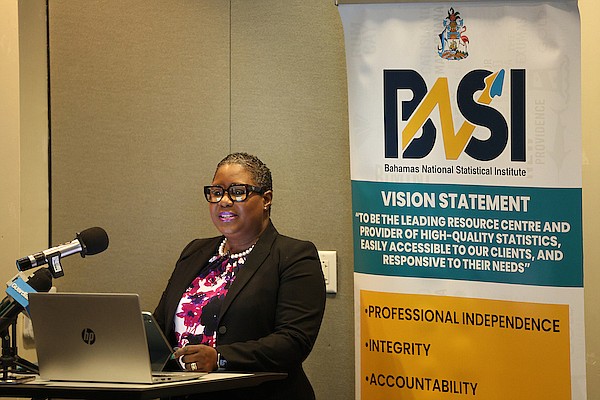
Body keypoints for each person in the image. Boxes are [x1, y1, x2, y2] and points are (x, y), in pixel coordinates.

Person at [153, 152, 326, 400]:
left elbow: (293, 342)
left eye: (237, 192)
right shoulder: (195, 251)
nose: (223, 201)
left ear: (266, 199)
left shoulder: (294, 256)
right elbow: (161, 324)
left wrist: (220, 358)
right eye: (216, 192)